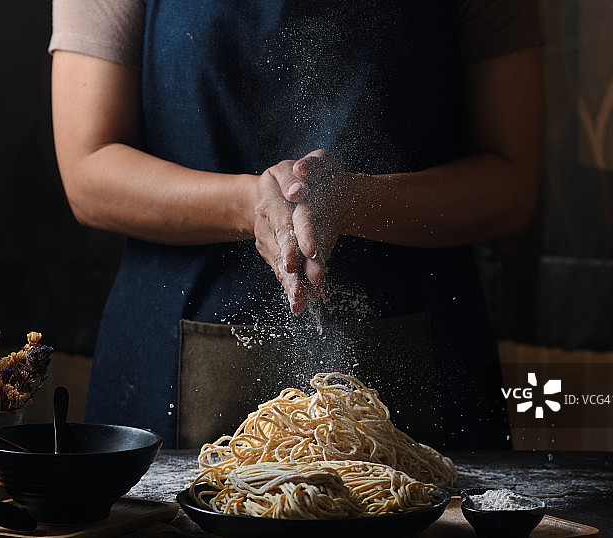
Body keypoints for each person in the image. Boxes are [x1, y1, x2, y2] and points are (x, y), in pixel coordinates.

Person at [49, 0, 544, 450]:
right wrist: (249, 204)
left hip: (419, 346)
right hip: (172, 346)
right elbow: (89, 172)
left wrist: (351, 201)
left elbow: (510, 183)